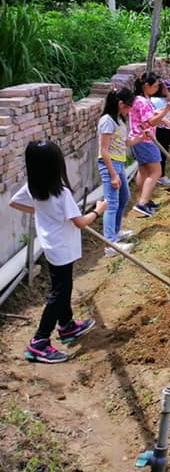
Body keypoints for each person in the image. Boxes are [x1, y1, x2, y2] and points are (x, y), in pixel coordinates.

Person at [10, 141, 105, 363]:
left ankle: (67, 325)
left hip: (52, 245)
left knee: (63, 286)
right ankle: (39, 341)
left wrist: (40, 211)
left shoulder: (33, 187)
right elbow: (80, 222)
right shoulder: (61, 193)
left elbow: (14, 203)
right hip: (62, 247)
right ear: (56, 165)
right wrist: (97, 211)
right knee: (60, 292)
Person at [96, 88, 136, 257]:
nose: (130, 110)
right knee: (111, 203)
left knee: (124, 197)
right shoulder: (107, 121)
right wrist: (113, 175)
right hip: (109, 165)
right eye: (129, 106)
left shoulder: (119, 119)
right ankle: (110, 244)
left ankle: (116, 232)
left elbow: (124, 143)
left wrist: (142, 137)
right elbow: (104, 150)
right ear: (120, 104)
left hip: (119, 163)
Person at [129, 72, 170, 217]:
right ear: (146, 85)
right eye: (155, 86)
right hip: (145, 139)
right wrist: (166, 111)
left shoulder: (140, 99)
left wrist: (163, 119)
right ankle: (142, 203)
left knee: (143, 170)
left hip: (138, 138)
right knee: (156, 172)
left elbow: (150, 115)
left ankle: (145, 200)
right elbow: (151, 122)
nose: (157, 89)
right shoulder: (142, 101)